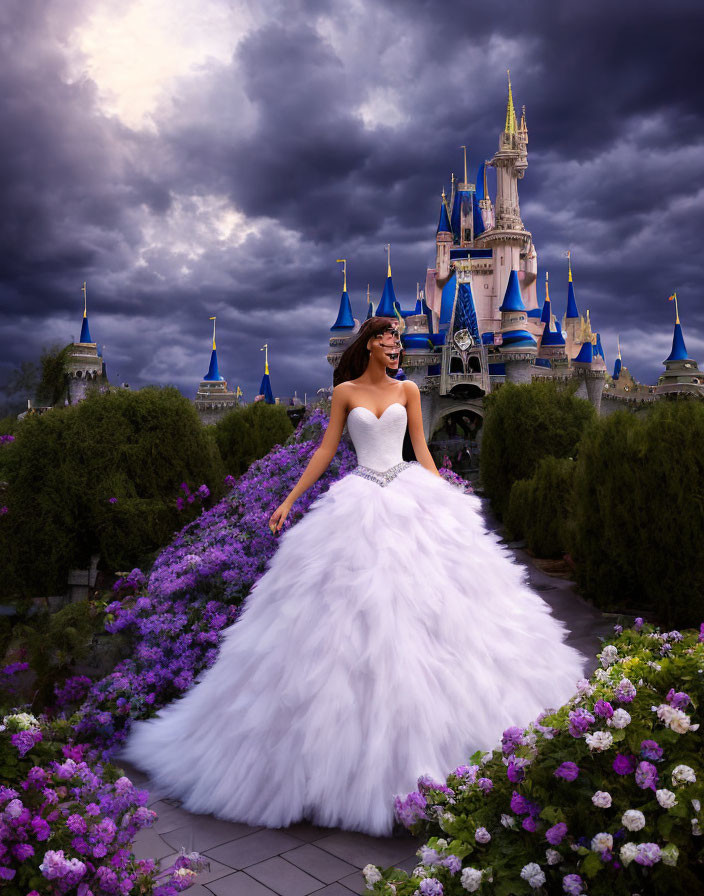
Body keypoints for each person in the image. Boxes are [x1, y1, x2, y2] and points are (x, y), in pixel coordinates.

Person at [117, 316, 586, 838]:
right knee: (341, 616)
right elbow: (325, 450)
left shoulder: (410, 389)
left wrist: (449, 496)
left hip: (408, 495)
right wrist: (289, 500)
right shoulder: (344, 392)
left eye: (399, 344)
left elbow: (422, 450)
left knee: (438, 608)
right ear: (368, 347)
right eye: (388, 343)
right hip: (358, 498)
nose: (396, 350)